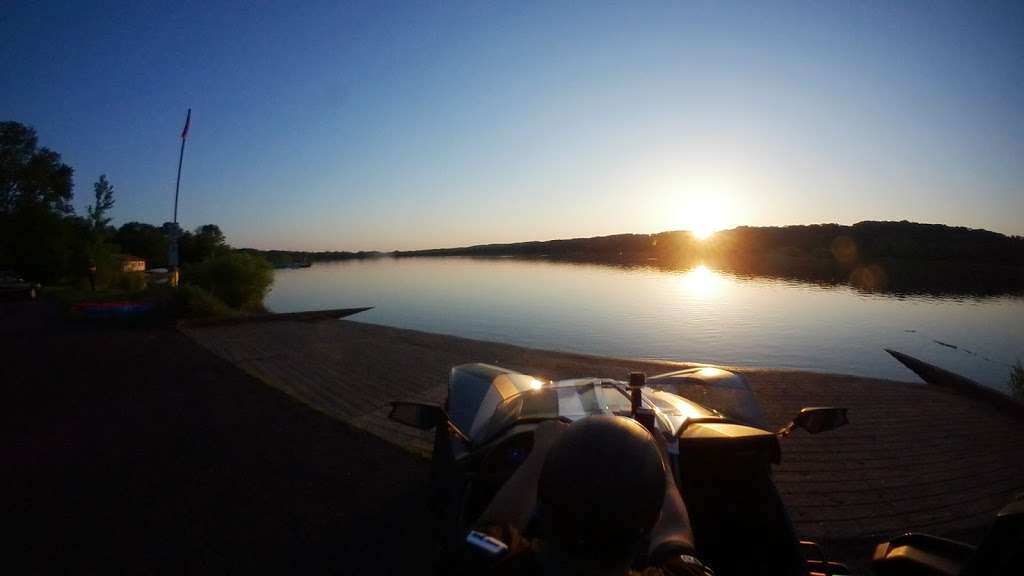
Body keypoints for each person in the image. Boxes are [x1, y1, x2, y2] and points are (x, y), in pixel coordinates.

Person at [465, 415, 712, 575]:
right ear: (653, 521)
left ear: (540, 507)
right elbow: (675, 532)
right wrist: (662, 463)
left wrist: (540, 453)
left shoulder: (485, 561)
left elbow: (493, 525)